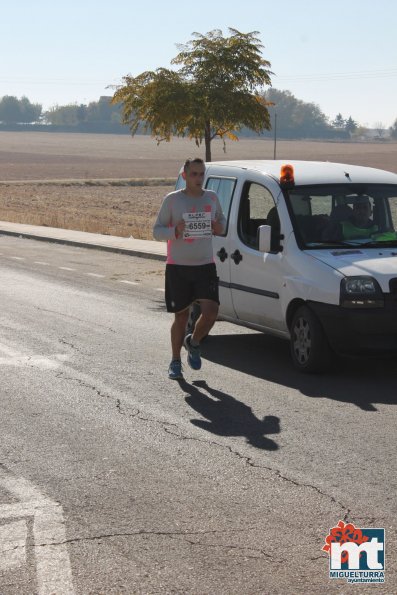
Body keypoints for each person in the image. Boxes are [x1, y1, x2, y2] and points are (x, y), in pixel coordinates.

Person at [153, 157, 226, 380]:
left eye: (201, 174)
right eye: (194, 174)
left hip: (205, 265)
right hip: (178, 268)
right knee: (181, 318)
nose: (198, 178)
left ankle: (193, 342)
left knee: (211, 313)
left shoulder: (212, 198)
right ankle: (175, 361)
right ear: (185, 176)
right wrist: (175, 230)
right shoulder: (173, 200)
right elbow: (157, 231)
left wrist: (217, 227)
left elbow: (222, 225)